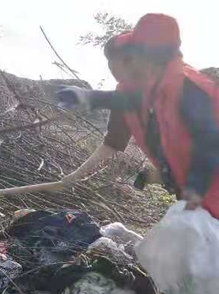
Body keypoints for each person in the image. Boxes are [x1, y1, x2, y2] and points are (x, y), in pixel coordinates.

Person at [57, 13, 219, 218]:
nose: (113, 68)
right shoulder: (129, 94)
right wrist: (74, 176)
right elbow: (113, 141)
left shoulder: (186, 86)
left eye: (120, 60)